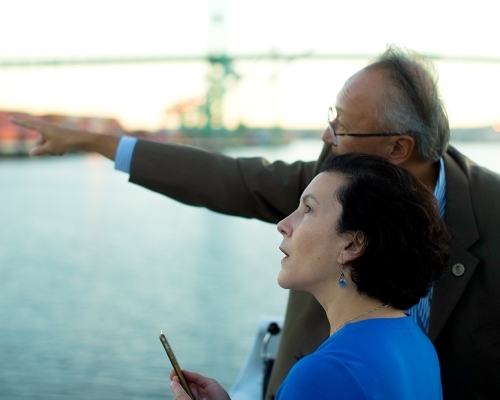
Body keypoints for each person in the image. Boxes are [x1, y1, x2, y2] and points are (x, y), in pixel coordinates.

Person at [10, 46, 500, 400]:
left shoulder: (489, 208)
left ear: (398, 148)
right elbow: (231, 179)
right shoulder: (336, 176)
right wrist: (99, 143)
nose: (327, 136)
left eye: (342, 127)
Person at [169, 153, 450, 400]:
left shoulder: (323, 374)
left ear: (352, 245)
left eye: (308, 209)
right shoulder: (417, 344)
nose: (283, 224)